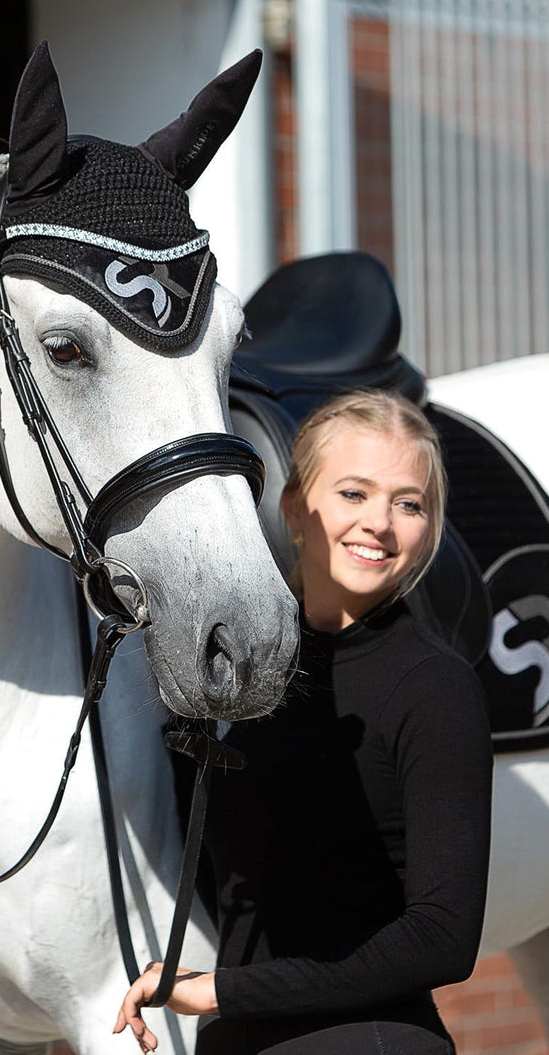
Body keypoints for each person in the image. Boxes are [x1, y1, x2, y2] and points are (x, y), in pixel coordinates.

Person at [115, 389, 493, 1054]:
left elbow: (442, 939)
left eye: (409, 504)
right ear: (294, 508)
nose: (379, 522)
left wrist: (226, 992)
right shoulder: (232, 669)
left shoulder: (435, 687)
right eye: (354, 493)